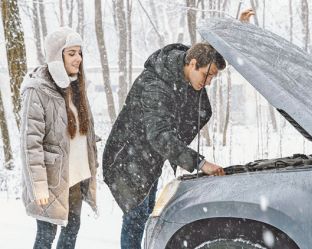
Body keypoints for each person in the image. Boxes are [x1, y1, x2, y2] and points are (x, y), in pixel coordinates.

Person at [102, 41, 226, 249]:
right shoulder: (156, 85)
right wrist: (200, 163)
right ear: (193, 63)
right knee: (135, 219)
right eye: (207, 74)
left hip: (149, 157)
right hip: (126, 160)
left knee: (146, 216)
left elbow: (210, 47)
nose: (209, 82)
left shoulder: (182, 74)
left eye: (213, 76)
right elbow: (159, 135)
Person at [20, 27, 98, 249]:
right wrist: (39, 187)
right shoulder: (38, 90)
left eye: (80, 53)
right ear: (57, 55)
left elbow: (78, 132)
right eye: (71, 53)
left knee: (72, 230)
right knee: (46, 236)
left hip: (75, 178)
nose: (78, 59)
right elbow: (30, 144)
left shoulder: (78, 87)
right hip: (51, 180)